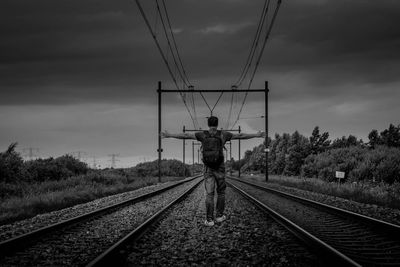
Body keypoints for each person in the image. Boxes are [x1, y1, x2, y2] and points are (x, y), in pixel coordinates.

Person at [161, 116, 265, 226]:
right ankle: (219, 216)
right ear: (217, 124)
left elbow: (186, 135)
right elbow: (241, 135)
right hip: (219, 167)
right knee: (221, 192)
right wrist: (257, 135)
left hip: (208, 168)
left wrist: (169, 135)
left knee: (209, 194)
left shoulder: (202, 134)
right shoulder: (223, 134)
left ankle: (209, 220)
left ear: (208, 124)